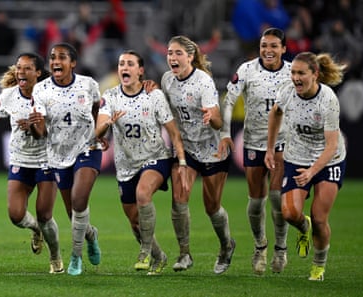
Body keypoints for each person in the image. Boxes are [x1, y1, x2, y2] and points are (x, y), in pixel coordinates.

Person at [0, 53, 64, 274]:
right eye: (19, 68)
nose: (20, 72)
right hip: (20, 159)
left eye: (27, 68)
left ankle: (55, 256)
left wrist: (33, 126)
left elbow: (48, 132)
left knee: (45, 214)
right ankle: (35, 229)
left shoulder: (49, 95)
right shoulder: (9, 95)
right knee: (16, 215)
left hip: (46, 159)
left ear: (38, 73)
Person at [96, 50, 188, 275]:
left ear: (140, 71)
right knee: (135, 222)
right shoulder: (110, 97)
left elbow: (173, 133)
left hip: (155, 158)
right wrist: (107, 123)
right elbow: (97, 131)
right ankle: (159, 256)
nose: (124, 67)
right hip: (126, 166)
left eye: (129, 64)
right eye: (121, 64)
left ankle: (144, 252)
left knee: (143, 193)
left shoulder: (154, 96)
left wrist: (183, 162)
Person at [264, 51, 347, 281]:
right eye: (293, 72)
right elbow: (276, 113)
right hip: (296, 157)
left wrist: (312, 172)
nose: (295, 77)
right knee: (290, 213)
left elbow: (331, 145)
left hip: (329, 161)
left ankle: (318, 266)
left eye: (301, 73)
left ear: (315, 75)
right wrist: (270, 149)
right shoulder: (287, 92)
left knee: (320, 217)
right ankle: (303, 229)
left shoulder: (328, 100)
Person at [161, 35, 235, 275]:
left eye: (178, 53)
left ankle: (226, 246)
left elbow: (216, 120)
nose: (172, 57)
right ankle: (184, 254)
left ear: (190, 57)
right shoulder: (167, 80)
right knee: (179, 199)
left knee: (212, 207)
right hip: (187, 148)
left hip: (212, 150)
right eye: (170, 53)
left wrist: (210, 117)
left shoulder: (203, 82)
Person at [220, 28, 291, 275]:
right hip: (253, 142)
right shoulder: (247, 69)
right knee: (255, 202)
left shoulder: (293, 73)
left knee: (276, 199)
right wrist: (226, 132)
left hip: (283, 142)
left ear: (283, 48)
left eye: (273, 46)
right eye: (264, 46)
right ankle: (261, 245)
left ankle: (281, 248)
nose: (268, 51)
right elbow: (229, 100)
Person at [28, 42, 102, 276]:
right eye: (52, 57)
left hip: (87, 147)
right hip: (58, 153)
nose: (55, 62)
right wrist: (34, 127)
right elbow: (40, 131)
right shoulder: (41, 90)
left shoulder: (88, 84)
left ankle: (76, 257)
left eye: (61, 57)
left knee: (80, 202)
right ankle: (91, 235)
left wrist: (101, 133)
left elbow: (97, 108)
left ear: (73, 63)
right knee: (73, 213)